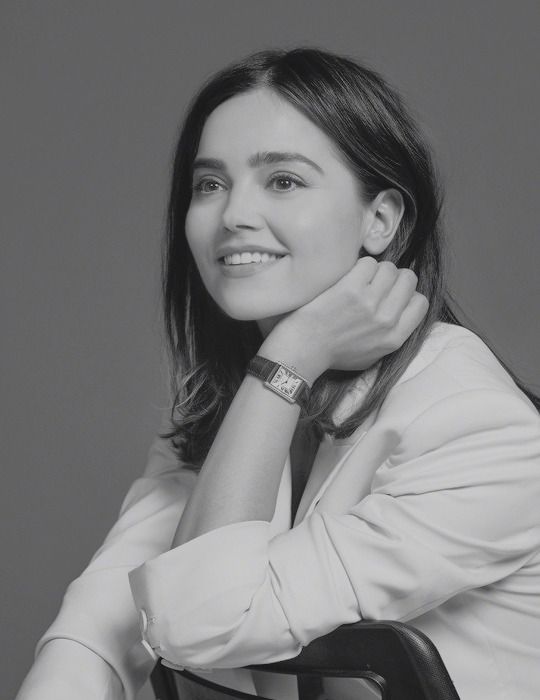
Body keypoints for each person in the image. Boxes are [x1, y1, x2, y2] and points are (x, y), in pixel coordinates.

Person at [17, 47, 540, 700]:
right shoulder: (235, 411)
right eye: (209, 184)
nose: (233, 214)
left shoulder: (481, 430)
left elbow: (202, 622)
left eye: (283, 180)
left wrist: (288, 359)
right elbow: (103, 624)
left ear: (380, 220)